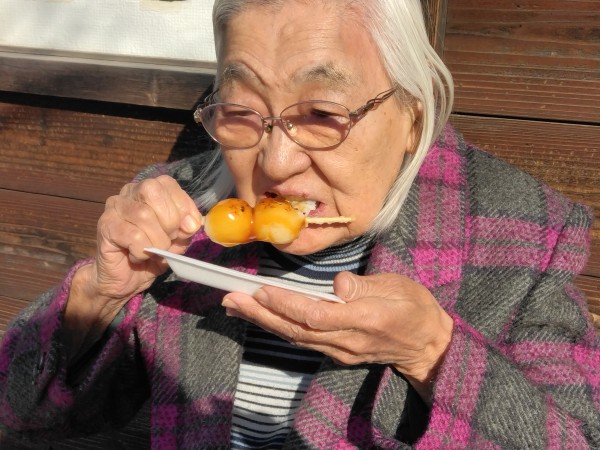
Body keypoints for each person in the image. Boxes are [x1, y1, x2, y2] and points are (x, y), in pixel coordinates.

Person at [1, 0, 599, 448]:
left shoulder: (518, 238)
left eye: (321, 112)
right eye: (242, 109)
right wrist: (101, 294)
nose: (276, 162)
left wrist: (431, 353)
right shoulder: (182, 217)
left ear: (413, 117)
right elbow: (20, 414)